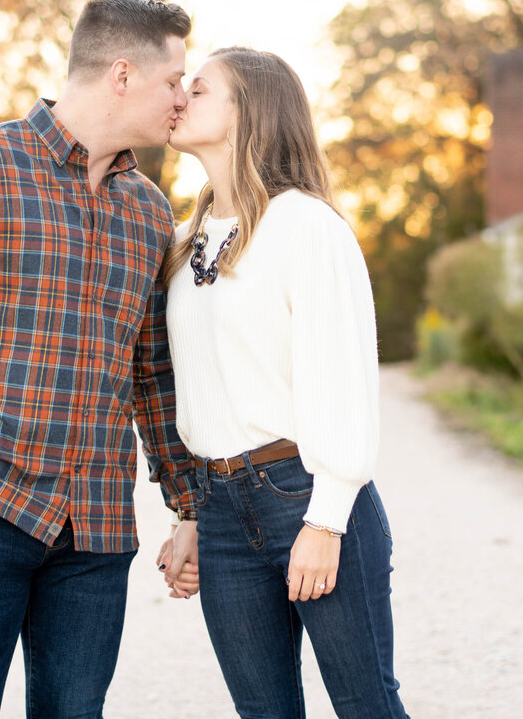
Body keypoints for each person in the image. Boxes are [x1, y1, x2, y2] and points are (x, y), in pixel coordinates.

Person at [0, 0, 200, 719]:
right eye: (175, 79)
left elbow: (152, 370)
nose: (185, 97)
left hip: (96, 531)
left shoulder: (148, 210)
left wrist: (187, 504)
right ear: (122, 74)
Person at [157, 47, 411, 719]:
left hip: (304, 497)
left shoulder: (307, 227)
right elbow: (196, 389)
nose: (179, 97)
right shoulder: (184, 243)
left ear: (251, 113)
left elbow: (346, 384)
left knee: (367, 707)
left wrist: (326, 522)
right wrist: (188, 514)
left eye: (200, 88)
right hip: (219, 512)